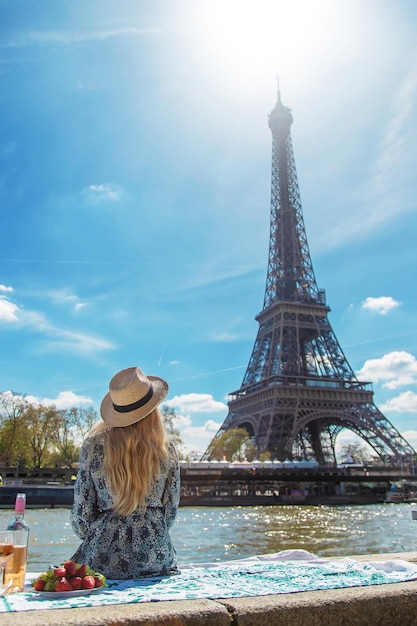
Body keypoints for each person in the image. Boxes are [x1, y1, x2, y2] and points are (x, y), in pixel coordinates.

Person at [70, 366, 180, 579]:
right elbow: (170, 512)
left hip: (103, 557)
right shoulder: (167, 450)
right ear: (153, 409)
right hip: (155, 555)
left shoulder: (94, 446)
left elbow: (81, 515)